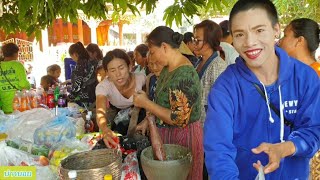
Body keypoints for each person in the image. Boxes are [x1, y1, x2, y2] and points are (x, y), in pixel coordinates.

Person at [204, 0, 320, 179]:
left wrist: (286, 148)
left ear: (276, 30)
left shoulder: (305, 77)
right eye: (240, 34)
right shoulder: (225, 88)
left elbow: (314, 129)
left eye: (259, 30)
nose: (250, 42)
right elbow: (218, 153)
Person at [133, 26, 203, 180]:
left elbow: (179, 119)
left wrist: (146, 104)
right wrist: (148, 119)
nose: (151, 58)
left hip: (184, 138)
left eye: (152, 52)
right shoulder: (168, 69)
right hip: (166, 134)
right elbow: (161, 101)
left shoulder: (184, 74)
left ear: (164, 47)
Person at [96, 49, 146, 141]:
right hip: (116, 114)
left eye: (121, 68)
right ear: (107, 73)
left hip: (138, 114)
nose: (118, 74)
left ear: (130, 67)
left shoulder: (141, 79)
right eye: (112, 70)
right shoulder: (103, 86)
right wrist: (104, 129)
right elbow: (100, 111)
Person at [193, 19, 228, 126]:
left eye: (197, 40)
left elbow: (221, 104)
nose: (194, 44)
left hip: (209, 126)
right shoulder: (198, 62)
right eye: (193, 39)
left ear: (209, 41)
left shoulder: (218, 66)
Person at [0, 43, 30, 114]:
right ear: (15, 53)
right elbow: (23, 84)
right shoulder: (18, 65)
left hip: (4, 108)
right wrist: (29, 87)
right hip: (18, 106)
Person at [68, 42, 98, 107]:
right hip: (94, 95)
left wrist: (70, 97)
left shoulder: (81, 64)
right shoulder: (91, 61)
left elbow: (78, 84)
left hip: (86, 97)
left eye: (71, 56)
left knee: (85, 114)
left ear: (75, 54)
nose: (72, 59)